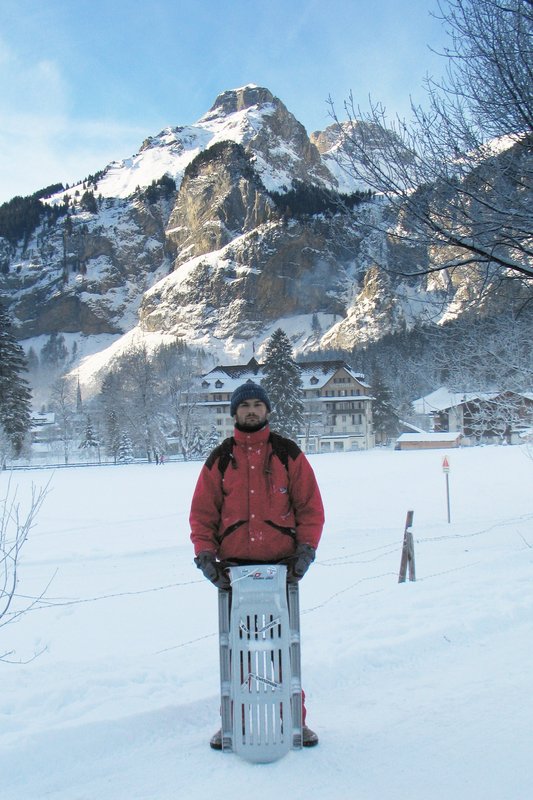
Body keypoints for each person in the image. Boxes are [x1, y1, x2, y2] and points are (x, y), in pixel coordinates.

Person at [190, 381, 325, 749]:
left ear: (267, 411)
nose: (251, 411)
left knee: (285, 650)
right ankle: (233, 723)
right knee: (238, 651)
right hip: (235, 572)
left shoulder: (287, 454)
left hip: (282, 569)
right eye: (244, 405)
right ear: (234, 413)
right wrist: (206, 556)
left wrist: (306, 551)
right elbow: (202, 514)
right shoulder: (220, 459)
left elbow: (310, 508)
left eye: (257, 405)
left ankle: (296, 721)